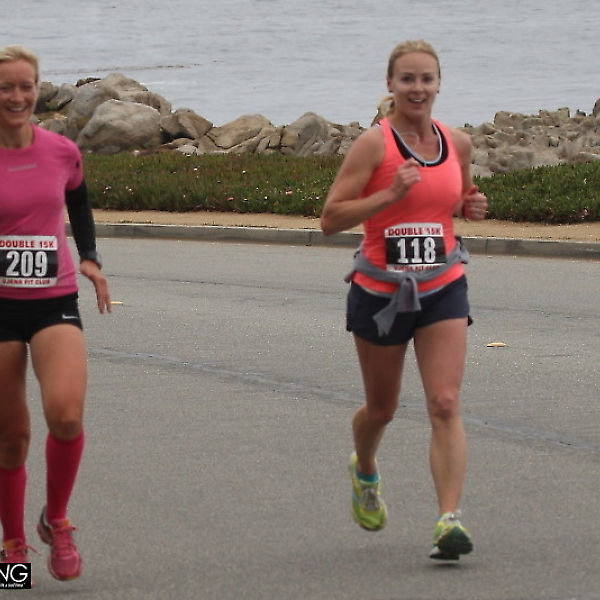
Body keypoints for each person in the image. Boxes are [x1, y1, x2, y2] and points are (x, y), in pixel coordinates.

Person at [320, 40, 488, 560]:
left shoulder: (457, 143)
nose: (417, 88)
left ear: (439, 85)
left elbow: (458, 197)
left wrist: (470, 205)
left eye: (426, 79)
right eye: (407, 79)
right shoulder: (374, 145)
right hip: (380, 292)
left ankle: (448, 521)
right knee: (382, 409)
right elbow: (330, 219)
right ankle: (365, 469)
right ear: (391, 85)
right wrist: (387, 195)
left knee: (445, 403)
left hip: (442, 285)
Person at [0, 45, 111, 580]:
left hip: (53, 300)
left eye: (26, 86)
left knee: (66, 416)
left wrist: (89, 256)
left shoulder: (62, 151)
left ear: (38, 89)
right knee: (11, 439)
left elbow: (78, 200)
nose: (17, 96)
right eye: (6, 87)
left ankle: (56, 519)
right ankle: (13, 550)